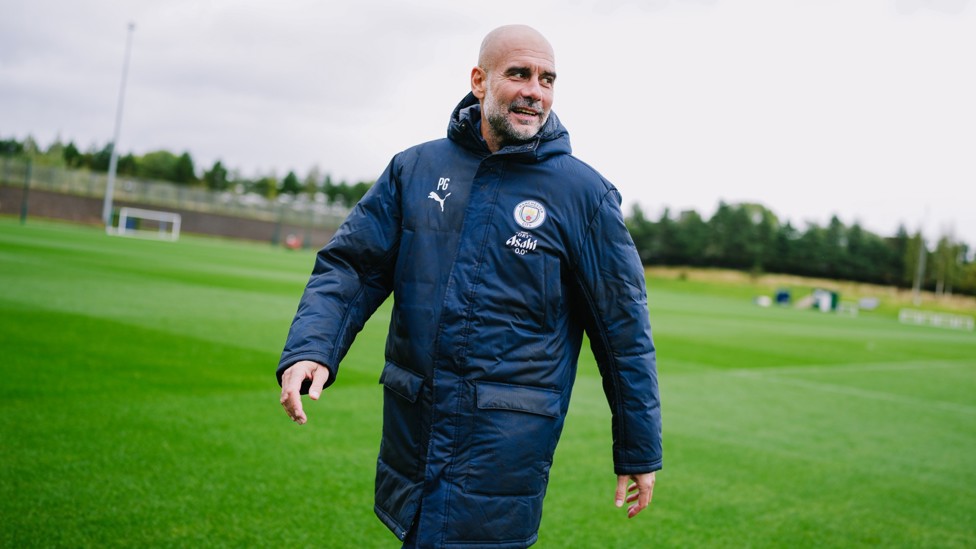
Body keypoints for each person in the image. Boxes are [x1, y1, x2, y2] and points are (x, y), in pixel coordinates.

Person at [278, 24, 662, 548]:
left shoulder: (585, 195)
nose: (535, 90)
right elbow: (352, 267)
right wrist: (312, 348)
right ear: (479, 81)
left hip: (503, 455)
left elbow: (624, 332)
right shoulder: (414, 170)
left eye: (547, 79)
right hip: (415, 438)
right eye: (519, 74)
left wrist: (638, 449)